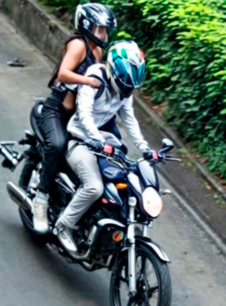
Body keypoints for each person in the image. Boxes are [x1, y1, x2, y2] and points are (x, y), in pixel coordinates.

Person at [54, 40, 155, 253]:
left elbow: (129, 120)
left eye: (131, 83)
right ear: (114, 72)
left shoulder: (124, 90)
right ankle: (64, 225)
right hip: (81, 141)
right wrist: (96, 139)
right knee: (94, 186)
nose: (128, 87)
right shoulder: (95, 78)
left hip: (105, 144)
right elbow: (84, 114)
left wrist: (145, 148)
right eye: (126, 81)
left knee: (128, 182)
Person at [32, 3, 117, 234]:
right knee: (58, 145)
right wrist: (88, 81)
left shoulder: (97, 51)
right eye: (100, 29)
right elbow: (63, 73)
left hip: (79, 117)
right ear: (87, 26)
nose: (103, 35)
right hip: (57, 111)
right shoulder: (78, 45)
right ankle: (41, 199)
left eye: (105, 30)